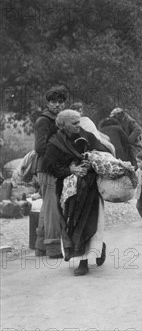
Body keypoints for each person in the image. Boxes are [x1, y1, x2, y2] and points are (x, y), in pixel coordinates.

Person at [45, 110, 110, 276]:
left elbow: (104, 153)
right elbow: (50, 167)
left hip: (89, 189)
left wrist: (92, 159)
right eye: (74, 123)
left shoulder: (88, 136)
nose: (78, 126)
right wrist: (70, 169)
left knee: (88, 222)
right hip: (67, 192)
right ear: (63, 125)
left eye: (78, 122)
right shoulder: (54, 143)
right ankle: (94, 248)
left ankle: (84, 261)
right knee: (71, 222)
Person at [34, 85, 68, 258]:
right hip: (47, 167)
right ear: (48, 103)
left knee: (48, 206)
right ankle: (53, 248)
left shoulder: (59, 119)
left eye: (60, 102)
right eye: (53, 102)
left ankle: (40, 247)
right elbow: (40, 148)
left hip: (54, 167)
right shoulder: (44, 121)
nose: (57, 105)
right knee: (52, 207)